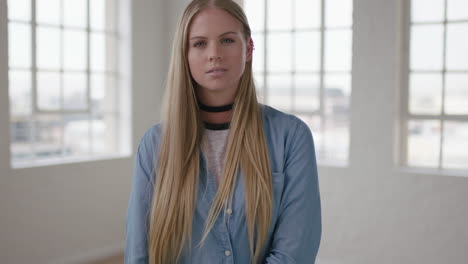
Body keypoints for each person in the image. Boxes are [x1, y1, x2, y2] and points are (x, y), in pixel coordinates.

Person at [124, 0, 322, 263]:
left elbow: (294, 252)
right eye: (199, 43)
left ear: (248, 48)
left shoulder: (292, 137)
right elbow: (139, 251)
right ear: (184, 55)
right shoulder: (154, 144)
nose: (214, 53)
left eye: (227, 40)